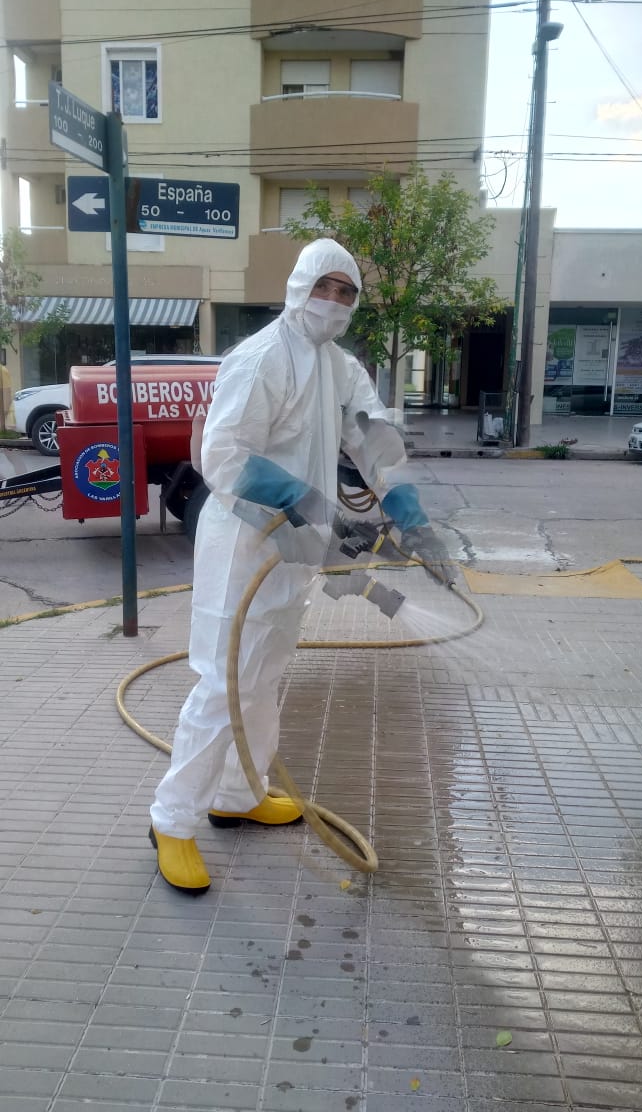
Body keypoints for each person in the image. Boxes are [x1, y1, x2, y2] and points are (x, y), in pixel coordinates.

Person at [149, 238, 448, 893]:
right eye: (325, 288)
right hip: (244, 543)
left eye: (346, 293)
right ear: (299, 286)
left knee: (266, 673)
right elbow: (224, 455)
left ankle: (240, 791)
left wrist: (410, 509)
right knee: (223, 683)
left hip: (297, 545)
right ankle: (172, 821)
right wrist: (305, 501)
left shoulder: (340, 368)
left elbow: (373, 440)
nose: (334, 303)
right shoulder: (259, 359)